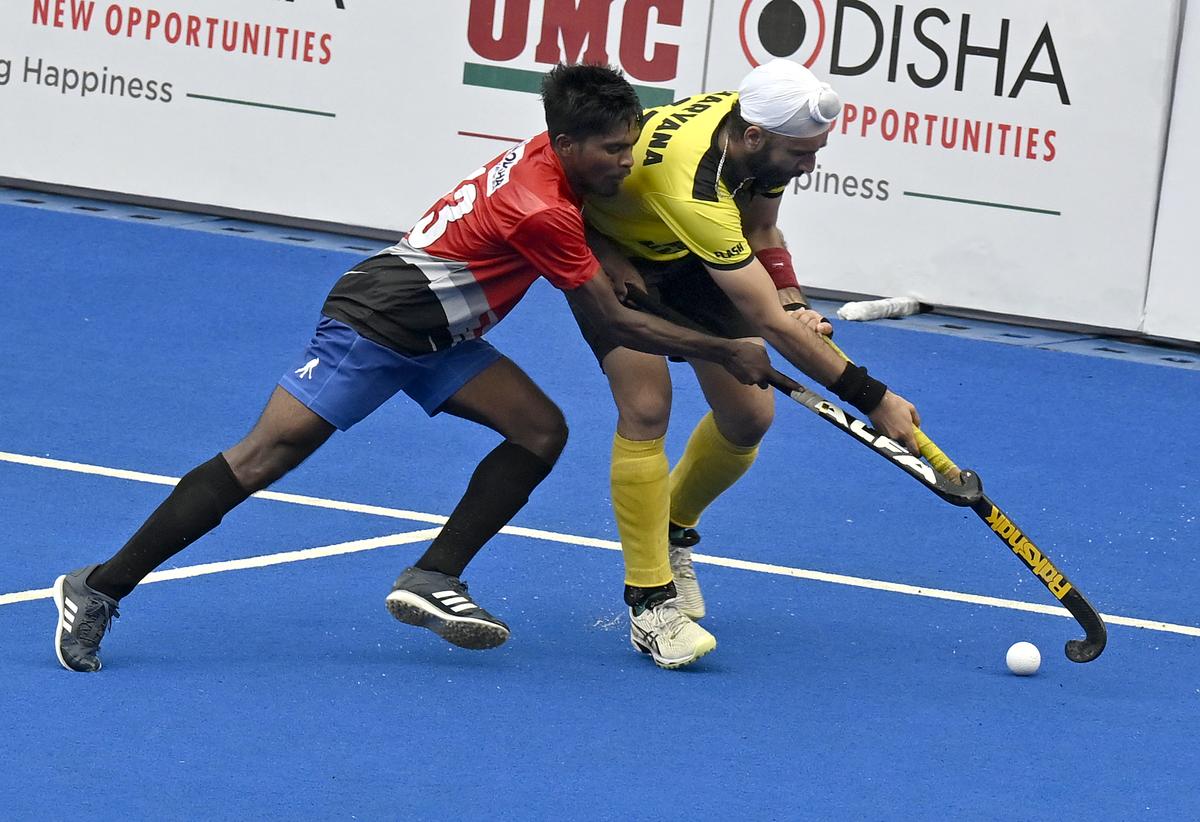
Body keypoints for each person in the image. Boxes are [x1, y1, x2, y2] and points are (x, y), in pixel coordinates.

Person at [51, 63, 791, 673]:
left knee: (539, 431)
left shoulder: (553, 172)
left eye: (631, 147)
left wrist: (620, 260)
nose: (626, 164)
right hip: (379, 322)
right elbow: (619, 323)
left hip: (444, 335)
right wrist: (725, 349)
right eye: (611, 152)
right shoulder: (544, 207)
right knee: (260, 458)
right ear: (564, 143)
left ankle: (435, 576)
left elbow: (602, 266)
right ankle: (98, 587)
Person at [572, 59, 923, 669]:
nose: (809, 165)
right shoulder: (696, 181)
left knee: (749, 416)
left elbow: (762, 230)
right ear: (756, 137)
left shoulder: (757, 130)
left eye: (816, 151)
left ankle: (674, 528)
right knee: (648, 404)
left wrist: (795, 302)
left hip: (686, 248)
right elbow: (764, 323)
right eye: (800, 154)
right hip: (606, 251)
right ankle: (650, 604)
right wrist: (875, 398)